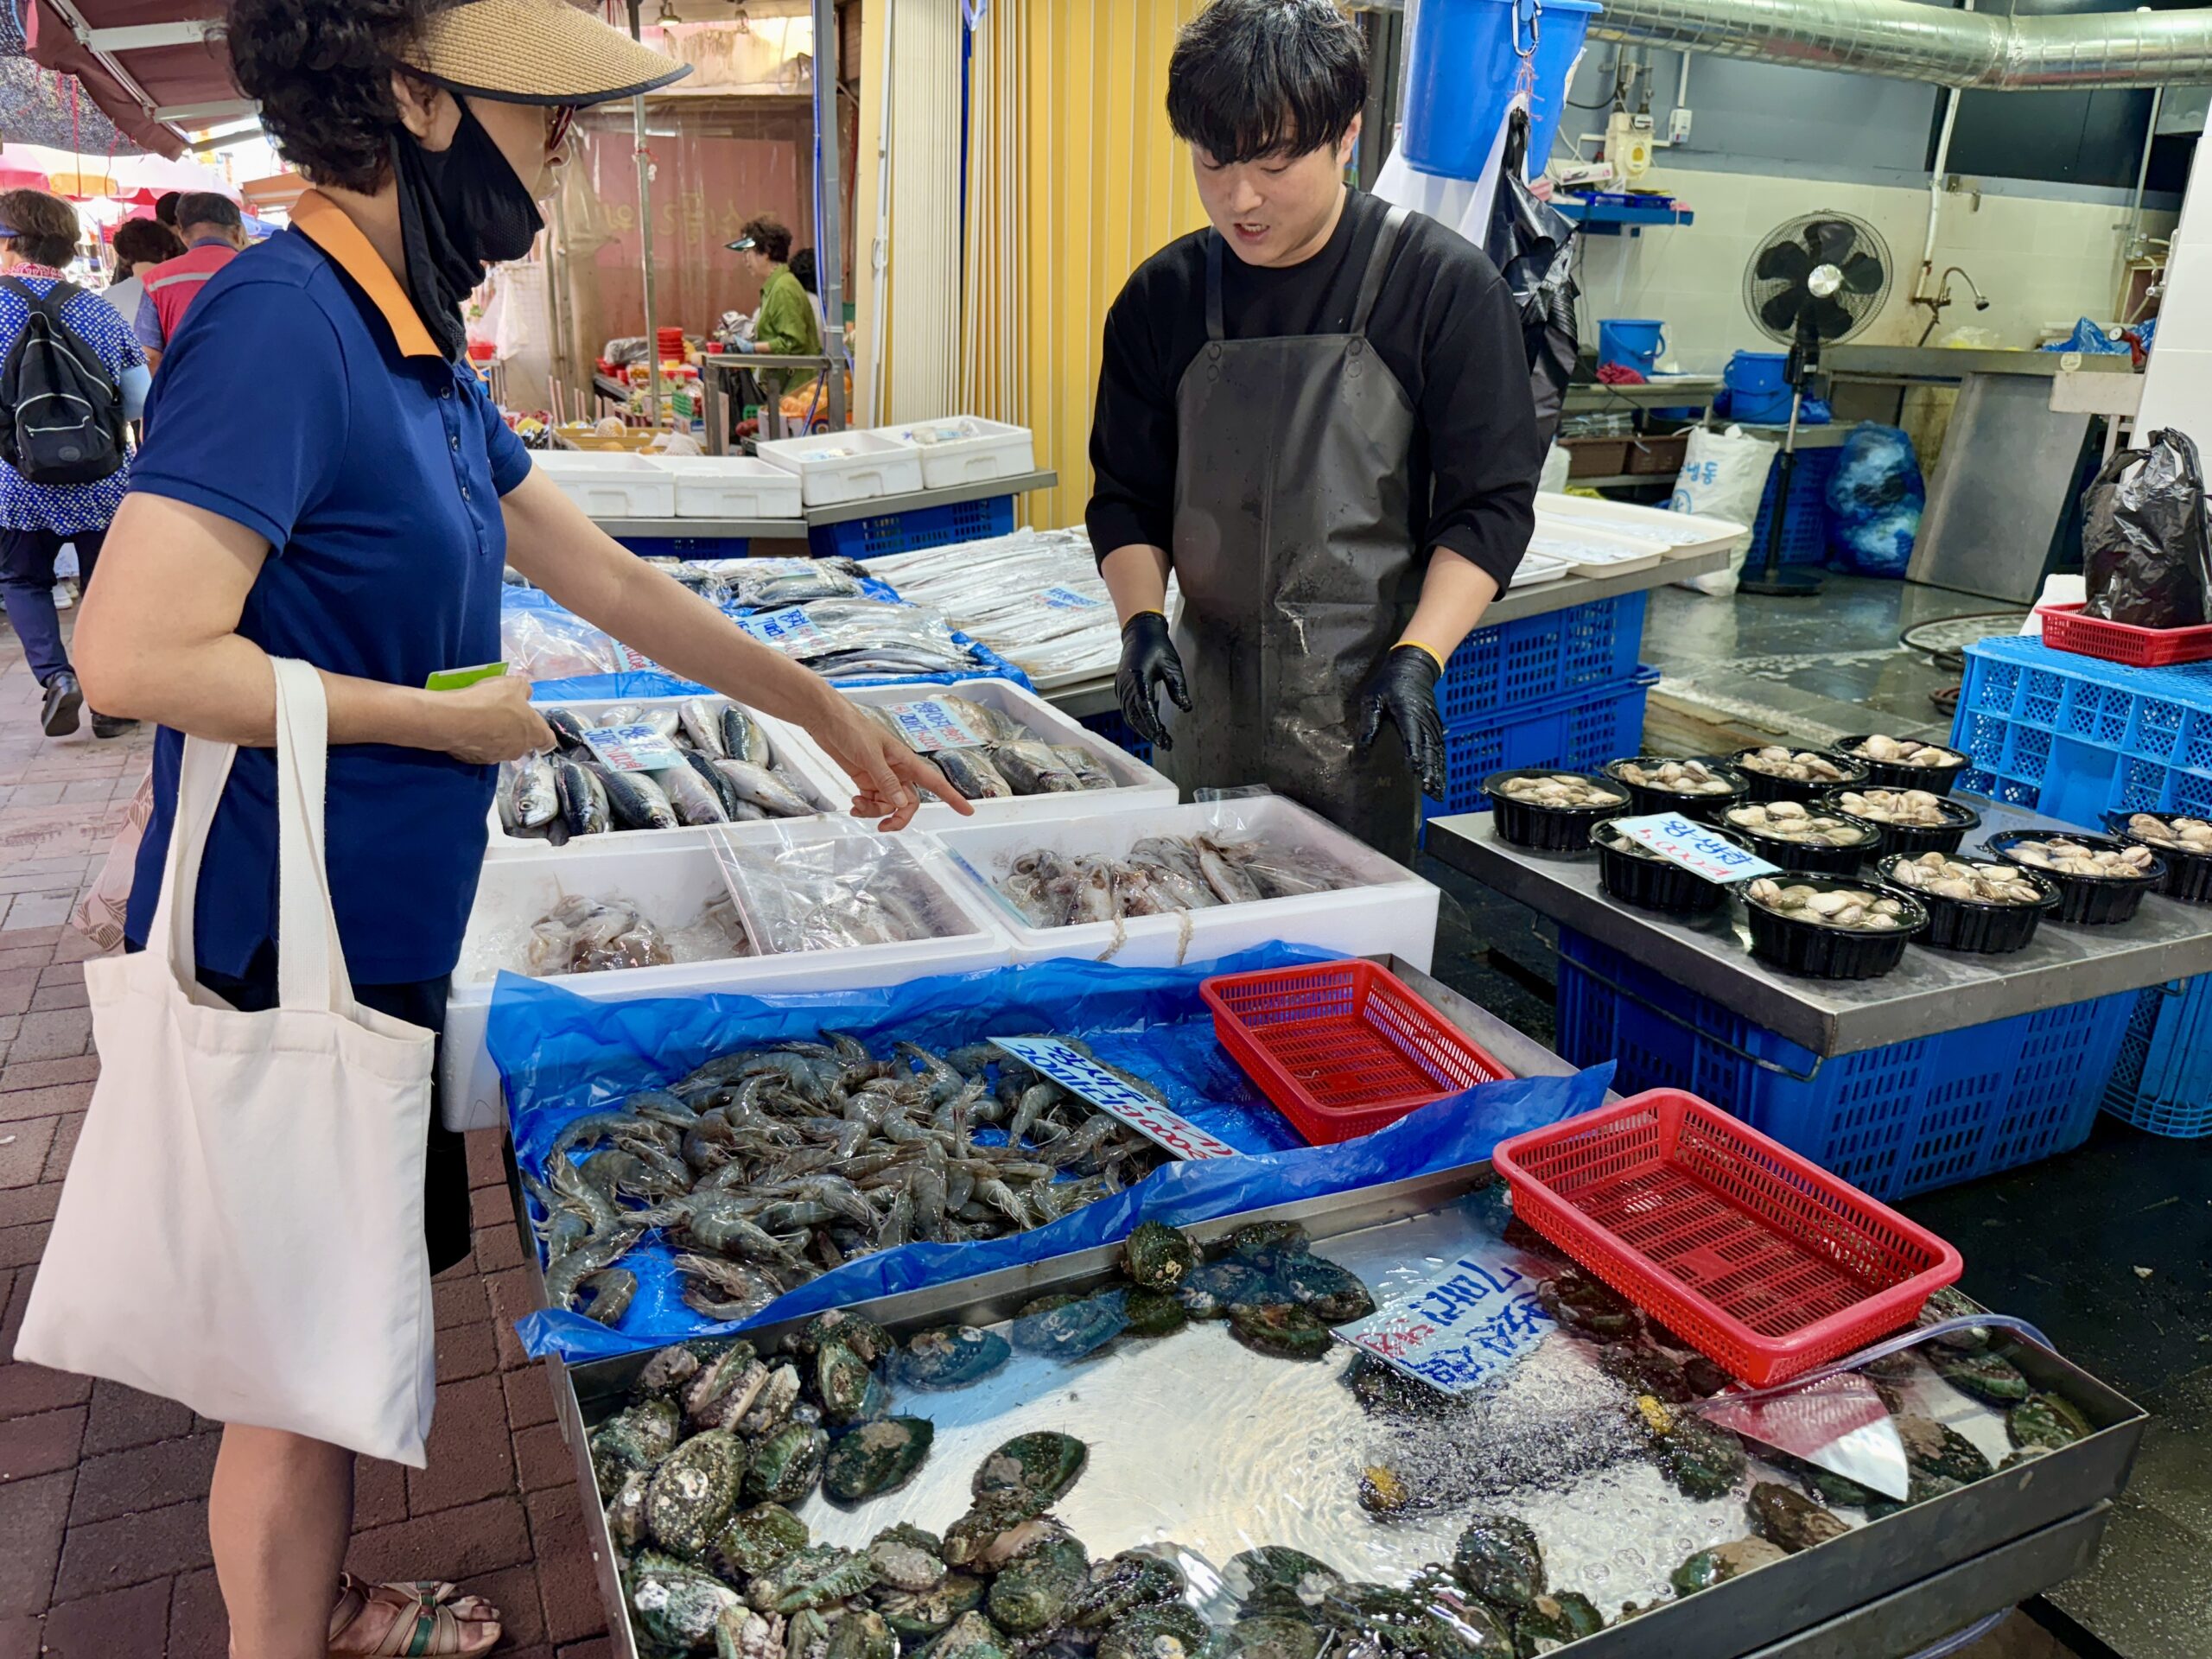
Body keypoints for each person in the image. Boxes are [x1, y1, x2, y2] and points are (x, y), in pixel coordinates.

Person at [70, 3, 968, 1655]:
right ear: (416, 98)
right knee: (287, 1376)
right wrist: (447, 723)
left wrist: (824, 709)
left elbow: (603, 574)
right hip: (290, 941)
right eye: (544, 117)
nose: (565, 153)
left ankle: (328, 1601)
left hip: (380, 929)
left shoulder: (405, 335)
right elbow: (129, 653)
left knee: (336, 1327)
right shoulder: (283, 323)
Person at [1091, 0, 1541, 864]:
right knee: (1194, 902)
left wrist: (1419, 659)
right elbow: (1126, 495)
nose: (1240, 198)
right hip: (1201, 702)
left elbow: (1489, 505)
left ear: (1346, 136)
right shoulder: (1161, 299)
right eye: (1213, 161)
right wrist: (1141, 621)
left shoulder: (1442, 289)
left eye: (1273, 162)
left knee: (1343, 923)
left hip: (1363, 708)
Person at [0, 188, 151, 740]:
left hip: (18, 481)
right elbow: (138, 399)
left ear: (10, 241)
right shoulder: (99, 309)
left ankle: (57, 676)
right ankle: (111, 704)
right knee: (105, 586)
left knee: (22, 579)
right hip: (101, 478)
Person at [134, 190, 250, 367]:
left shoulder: (156, 280)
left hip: (186, 380)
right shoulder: (259, 270)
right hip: (250, 376)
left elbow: (150, 355)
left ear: (183, 236)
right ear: (237, 232)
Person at [726, 210, 821, 394]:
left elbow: (793, 342)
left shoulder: (783, 288)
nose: (745, 259)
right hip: (782, 387)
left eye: (748, 251)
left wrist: (752, 348)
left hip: (796, 390)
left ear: (766, 251)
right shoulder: (775, 286)